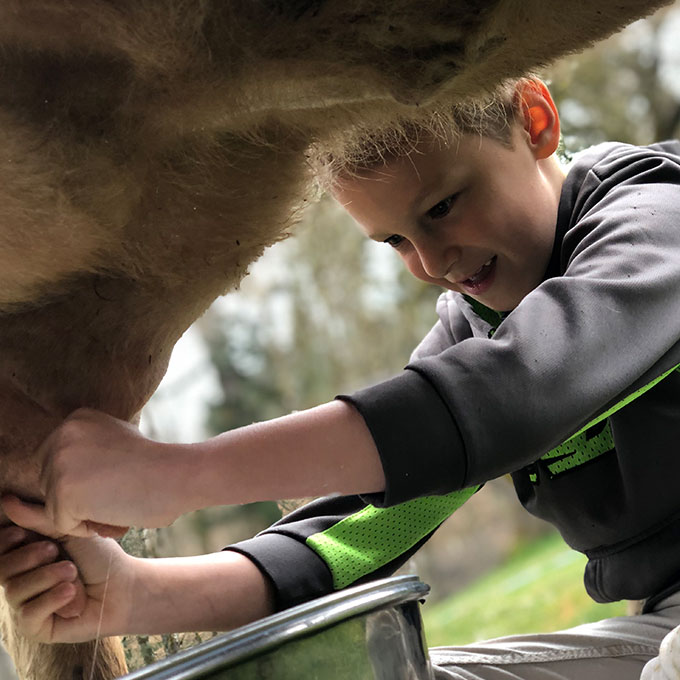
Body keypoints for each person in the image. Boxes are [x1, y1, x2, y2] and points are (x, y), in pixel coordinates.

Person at [2, 76, 680, 679]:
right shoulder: (475, 329)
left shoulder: (656, 224)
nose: (430, 261)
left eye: (441, 207)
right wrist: (127, 595)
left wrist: (174, 474)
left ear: (535, 121)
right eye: (394, 241)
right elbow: (350, 536)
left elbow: (514, 391)